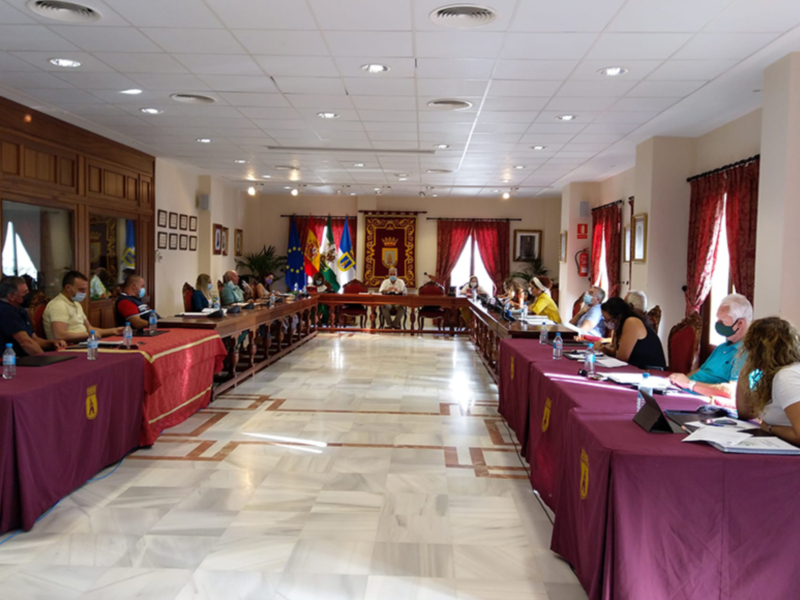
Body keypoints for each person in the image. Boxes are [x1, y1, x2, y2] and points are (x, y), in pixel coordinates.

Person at [668, 293, 752, 408]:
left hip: (701, 403)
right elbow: (701, 371)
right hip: (686, 393)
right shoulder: (722, 347)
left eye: (723, 321)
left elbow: (732, 391)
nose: (718, 325)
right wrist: (677, 382)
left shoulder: (745, 352)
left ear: (740, 323)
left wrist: (689, 384)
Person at [736, 317, 800, 446]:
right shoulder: (778, 374)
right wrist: (745, 371)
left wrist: (770, 428)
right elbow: (745, 413)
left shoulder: (786, 377)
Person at [43, 271, 122, 342]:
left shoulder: (76, 303)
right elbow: (59, 335)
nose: (84, 293)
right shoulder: (59, 305)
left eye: (85, 289)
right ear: (68, 287)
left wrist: (114, 331)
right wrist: (88, 335)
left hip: (84, 342)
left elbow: (90, 329)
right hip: (69, 347)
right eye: (81, 290)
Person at [0, 276, 66, 356]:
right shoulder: (5, 311)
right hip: (10, 362)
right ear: (11, 296)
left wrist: (53, 343)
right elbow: (25, 342)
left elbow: (34, 339)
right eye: (25, 293)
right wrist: (45, 359)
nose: (28, 295)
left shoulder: (20, 310)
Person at [598, 297, 666, 370]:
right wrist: (605, 349)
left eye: (608, 320)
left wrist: (606, 349)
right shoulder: (621, 324)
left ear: (618, 316)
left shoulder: (631, 322)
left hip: (650, 371)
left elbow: (622, 357)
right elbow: (617, 350)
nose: (607, 323)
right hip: (637, 367)